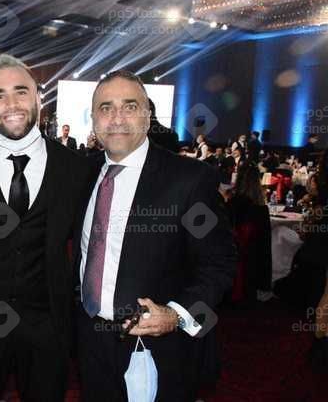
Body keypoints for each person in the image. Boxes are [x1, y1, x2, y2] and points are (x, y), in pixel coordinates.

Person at [74, 70, 236, 401]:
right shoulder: (82, 172)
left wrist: (176, 314)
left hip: (158, 347)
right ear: (93, 118)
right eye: (106, 107)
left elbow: (219, 263)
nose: (117, 117)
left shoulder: (189, 179)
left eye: (129, 106)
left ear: (148, 115)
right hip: (91, 339)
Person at [0, 55, 91, 401]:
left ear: (38, 98)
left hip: (48, 325)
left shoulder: (76, 169)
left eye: (21, 91)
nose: (11, 104)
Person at [228, 164, 272, 302]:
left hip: (231, 259)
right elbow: (265, 249)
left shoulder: (231, 203)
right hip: (252, 263)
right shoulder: (261, 209)